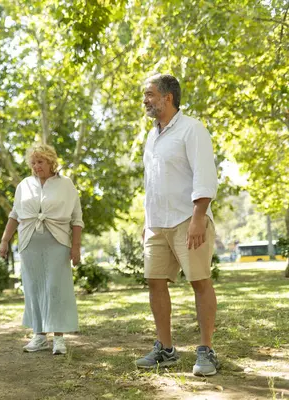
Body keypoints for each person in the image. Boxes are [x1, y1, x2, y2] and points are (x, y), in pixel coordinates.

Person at [136, 73, 219, 376]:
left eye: (149, 94)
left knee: (199, 281)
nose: (145, 100)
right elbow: (151, 183)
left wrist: (199, 217)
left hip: (188, 219)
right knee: (155, 282)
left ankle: (207, 350)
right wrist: (147, 221)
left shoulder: (192, 129)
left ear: (167, 97)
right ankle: (165, 349)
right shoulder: (152, 135)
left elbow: (205, 176)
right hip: (157, 222)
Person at [0, 143, 83, 355]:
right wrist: (4, 240)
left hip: (58, 243)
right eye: (33, 162)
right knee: (33, 288)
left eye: (40, 161)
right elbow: (14, 216)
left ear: (51, 162)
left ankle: (59, 338)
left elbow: (77, 220)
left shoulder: (66, 185)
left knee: (56, 288)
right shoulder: (24, 185)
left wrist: (76, 248)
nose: (36, 166)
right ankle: (39, 336)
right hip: (29, 244)